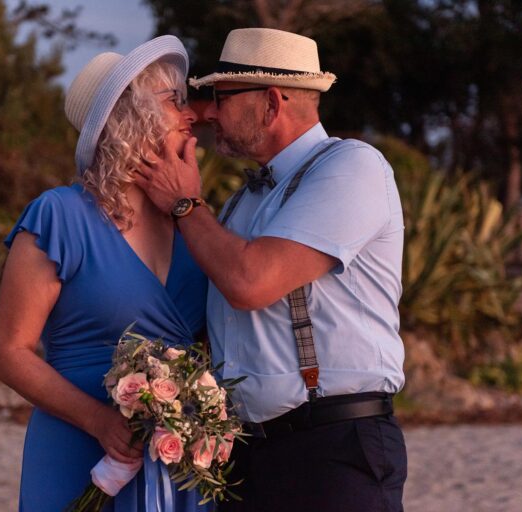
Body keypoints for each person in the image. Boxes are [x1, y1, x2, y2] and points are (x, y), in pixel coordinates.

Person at [135, 28, 407, 512]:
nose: (209, 112)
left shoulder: (353, 167)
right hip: (248, 458)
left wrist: (184, 203)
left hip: (333, 446)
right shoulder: (242, 203)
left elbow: (249, 282)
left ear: (272, 103)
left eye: (222, 96)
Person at [0, 36, 210, 512]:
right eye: (176, 101)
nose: (191, 116)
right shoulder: (60, 215)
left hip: (174, 464)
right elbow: (9, 352)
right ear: (132, 116)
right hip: (77, 448)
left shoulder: (195, 226)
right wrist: (100, 422)